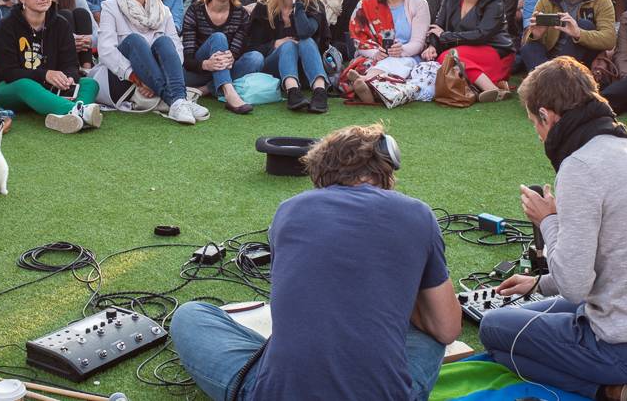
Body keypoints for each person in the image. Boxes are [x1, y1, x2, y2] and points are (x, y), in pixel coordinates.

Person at [171, 123, 461, 401]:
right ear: (387, 165)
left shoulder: (289, 211)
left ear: (320, 172)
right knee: (429, 333)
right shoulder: (418, 215)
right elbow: (447, 328)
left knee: (191, 315)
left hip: (275, 394)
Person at [479, 57, 627, 401]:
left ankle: (616, 391)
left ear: (547, 115)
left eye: (534, 123)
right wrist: (540, 283)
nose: (538, 135)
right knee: (524, 314)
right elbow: (611, 261)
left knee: (494, 329)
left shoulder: (580, 166)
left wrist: (548, 220)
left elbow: (574, 287)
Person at [98, 0, 208, 125]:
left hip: (156, 78)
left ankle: (177, 101)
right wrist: (138, 78)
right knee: (135, 40)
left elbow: (177, 49)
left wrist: (155, 78)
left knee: (165, 42)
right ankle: (178, 100)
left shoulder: (163, 10)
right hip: (124, 79)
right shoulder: (110, 7)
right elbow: (105, 51)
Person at [0, 0, 102, 134]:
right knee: (25, 85)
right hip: (8, 89)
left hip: (48, 89)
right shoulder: (7, 26)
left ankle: (69, 118)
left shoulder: (61, 24)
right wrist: (45, 75)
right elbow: (8, 72)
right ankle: (78, 112)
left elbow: (71, 64)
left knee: (90, 83)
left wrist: (69, 78)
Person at [423, 0, 515, 100]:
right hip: (462, 52)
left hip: (494, 52)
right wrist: (432, 46)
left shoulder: (494, 3)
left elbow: (481, 35)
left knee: (449, 56)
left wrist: (446, 36)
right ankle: (493, 87)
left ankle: (491, 89)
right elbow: (437, 25)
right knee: (447, 57)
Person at [247, 0, 330, 113]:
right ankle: (292, 91)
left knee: (305, 41)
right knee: (289, 45)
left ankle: (320, 91)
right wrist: (274, 44)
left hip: (306, 69)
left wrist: (297, 1)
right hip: (273, 68)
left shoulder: (314, 4)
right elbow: (251, 46)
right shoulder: (264, 6)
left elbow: (305, 32)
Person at [345, 0, 430, 104]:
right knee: (364, 64)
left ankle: (366, 81)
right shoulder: (365, 4)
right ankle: (371, 90)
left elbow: (418, 42)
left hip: (408, 56)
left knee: (400, 64)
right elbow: (358, 40)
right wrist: (375, 53)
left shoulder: (419, 3)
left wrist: (401, 50)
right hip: (375, 56)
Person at [182, 0, 264, 114]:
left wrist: (231, 57)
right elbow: (187, 59)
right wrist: (206, 64)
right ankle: (229, 94)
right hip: (196, 71)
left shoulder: (241, 13)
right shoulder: (195, 10)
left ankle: (208, 89)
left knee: (256, 58)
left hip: (224, 68)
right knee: (218, 38)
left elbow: (237, 50)